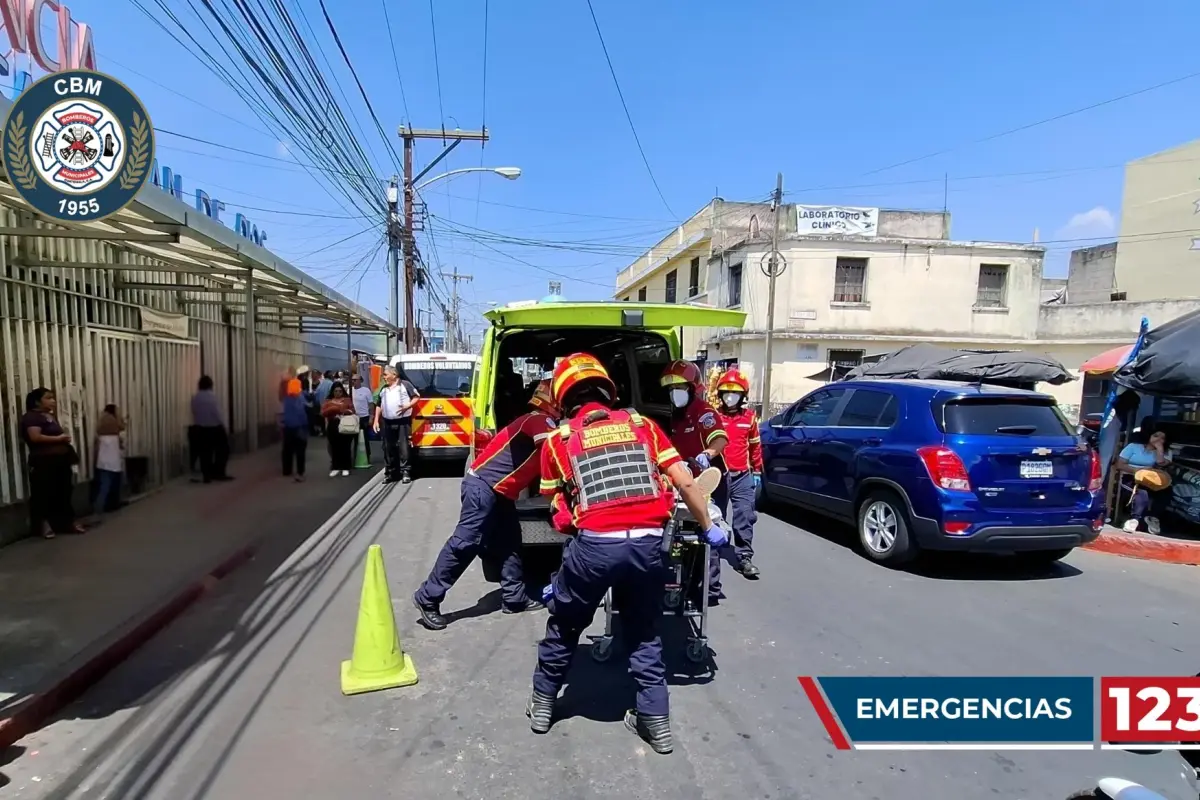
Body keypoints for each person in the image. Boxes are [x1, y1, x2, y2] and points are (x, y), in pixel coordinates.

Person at [527, 353, 726, 754]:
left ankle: (544, 705)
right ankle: (657, 722)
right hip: (649, 546)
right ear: (608, 390)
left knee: (566, 625)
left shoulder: (557, 442)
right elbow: (686, 483)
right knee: (643, 630)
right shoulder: (643, 426)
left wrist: (574, 549)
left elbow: (558, 513)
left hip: (596, 547)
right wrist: (710, 528)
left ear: (565, 399)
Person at [412, 379, 558, 629]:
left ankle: (514, 597)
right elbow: (551, 447)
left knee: (509, 542)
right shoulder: (538, 420)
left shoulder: (537, 419)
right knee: (465, 543)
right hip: (484, 488)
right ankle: (428, 597)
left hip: (498, 491)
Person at [661, 359, 729, 605]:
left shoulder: (704, 412)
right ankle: (685, 581)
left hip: (710, 480)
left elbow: (720, 439)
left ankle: (709, 589)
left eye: (679, 388)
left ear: (692, 388)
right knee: (683, 534)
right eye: (670, 389)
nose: (674, 394)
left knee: (708, 529)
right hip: (687, 481)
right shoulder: (677, 417)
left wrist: (707, 454)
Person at [712, 369, 762, 579]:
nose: (729, 397)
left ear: (743, 396)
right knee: (715, 516)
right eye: (725, 392)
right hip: (718, 476)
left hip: (742, 476)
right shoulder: (713, 416)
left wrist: (757, 471)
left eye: (734, 393)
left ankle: (744, 558)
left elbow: (755, 447)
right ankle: (711, 556)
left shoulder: (749, 419)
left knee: (744, 516)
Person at [20, 388, 83, 538]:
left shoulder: (48, 416)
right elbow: (35, 437)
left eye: (53, 398)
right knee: (43, 494)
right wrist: (59, 439)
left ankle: (65, 523)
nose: (53, 401)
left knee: (63, 492)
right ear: (37, 401)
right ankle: (43, 526)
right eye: (48, 398)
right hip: (44, 461)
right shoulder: (31, 417)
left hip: (60, 460)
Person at [1117, 429, 1172, 534]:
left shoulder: (1167, 452)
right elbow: (1120, 465)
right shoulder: (1133, 447)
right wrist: (1138, 470)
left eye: (1162, 438)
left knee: (1167, 491)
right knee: (1142, 491)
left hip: (1152, 478)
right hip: (1131, 476)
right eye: (1156, 436)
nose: (1159, 440)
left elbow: (1161, 463)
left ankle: (1153, 518)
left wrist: (1159, 449)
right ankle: (1135, 519)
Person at [374, 366, 418, 484]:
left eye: (385, 375)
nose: (384, 377)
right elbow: (378, 405)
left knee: (404, 448)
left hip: (403, 422)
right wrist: (376, 420)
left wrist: (407, 407)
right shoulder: (384, 389)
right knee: (388, 448)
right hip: (387, 423)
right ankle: (391, 473)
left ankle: (406, 472)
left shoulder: (405, 385)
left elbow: (416, 397)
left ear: (394, 375)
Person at [191, 376, 231, 482]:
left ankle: (207, 475)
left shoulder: (196, 398)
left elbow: (194, 412)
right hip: (215, 428)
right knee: (223, 450)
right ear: (210, 385)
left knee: (205, 453)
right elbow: (217, 413)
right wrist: (224, 425)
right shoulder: (212, 397)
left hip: (201, 429)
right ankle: (219, 472)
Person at [93, 404, 126, 515]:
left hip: (104, 459)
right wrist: (120, 417)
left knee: (105, 483)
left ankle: (102, 506)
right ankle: (101, 507)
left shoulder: (102, 421)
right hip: (112, 458)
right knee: (108, 484)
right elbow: (122, 426)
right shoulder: (111, 420)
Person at [321, 382, 356, 477]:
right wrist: (336, 408)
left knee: (345, 447)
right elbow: (323, 412)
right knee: (334, 447)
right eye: (336, 391)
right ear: (332, 392)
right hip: (332, 425)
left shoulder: (347, 400)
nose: (338, 393)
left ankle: (346, 467)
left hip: (345, 424)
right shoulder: (328, 401)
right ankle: (335, 467)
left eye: (340, 391)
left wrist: (341, 410)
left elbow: (352, 411)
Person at [281, 378, 309, 481]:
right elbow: (302, 413)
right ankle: (300, 471)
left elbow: (285, 413)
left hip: (288, 427)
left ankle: (287, 470)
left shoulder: (286, 399)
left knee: (287, 450)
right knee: (300, 451)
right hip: (299, 427)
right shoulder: (300, 398)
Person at [350, 374, 374, 463]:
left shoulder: (366, 391)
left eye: (355, 380)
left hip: (364, 417)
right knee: (353, 438)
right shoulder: (350, 390)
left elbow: (371, 404)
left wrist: (371, 417)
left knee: (364, 438)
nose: (353, 381)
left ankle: (366, 456)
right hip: (353, 417)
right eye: (352, 380)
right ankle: (355, 457)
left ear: (360, 381)